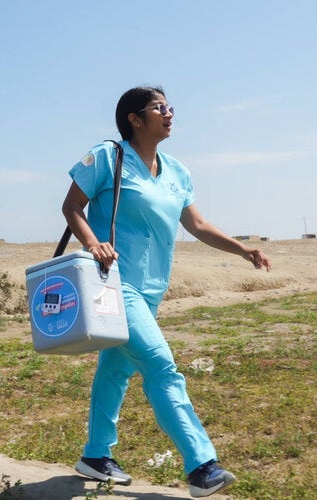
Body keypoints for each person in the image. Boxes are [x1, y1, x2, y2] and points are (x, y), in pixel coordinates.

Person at [63, 87, 271, 498]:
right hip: (114, 282)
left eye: (170, 106)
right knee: (161, 365)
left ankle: (95, 455)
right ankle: (201, 465)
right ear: (135, 119)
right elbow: (71, 206)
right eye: (159, 108)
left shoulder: (176, 170)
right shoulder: (108, 157)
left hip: (153, 287)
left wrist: (243, 248)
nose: (169, 113)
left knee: (116, 368)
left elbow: (197, 225)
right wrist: (92, 243)